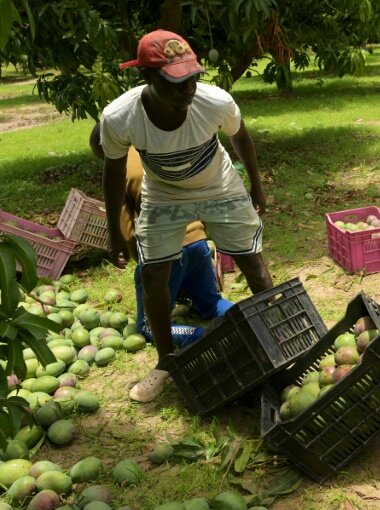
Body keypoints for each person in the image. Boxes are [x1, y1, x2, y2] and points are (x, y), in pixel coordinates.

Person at [98, 29, 274, 403]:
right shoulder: (120, 116)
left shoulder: (214, 101)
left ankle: (278, 338)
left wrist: (256, 186)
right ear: (147, 76)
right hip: (163, 192)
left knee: (253, 264)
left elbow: (241, 138)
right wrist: (114, 232)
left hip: (219, 185)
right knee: (153, 276)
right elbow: (113, 172)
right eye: (176, 82)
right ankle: (166, 363)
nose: (188, 89)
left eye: (192, 77)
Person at [89, 124, 233, 351]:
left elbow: (127, 231)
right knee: (212, 303)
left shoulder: (119, 171)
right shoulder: (160, 148)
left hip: (164, 251)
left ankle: (200, 335)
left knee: (148, 327)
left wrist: (144, 267)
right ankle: (247, 316)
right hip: (198, 240)